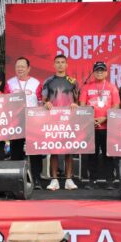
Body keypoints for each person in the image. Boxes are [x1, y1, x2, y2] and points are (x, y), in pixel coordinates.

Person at [79, 61, 120, 189]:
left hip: (108, 126)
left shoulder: (112, 87)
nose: (99, 72)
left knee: (109, 155)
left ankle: (110, 181)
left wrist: (105, 118)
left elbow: (116, 106)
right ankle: (92, 181)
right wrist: (90, 118)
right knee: (92, 155)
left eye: (102, 70)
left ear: (106, 73)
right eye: (97, 70)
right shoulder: (86, 87)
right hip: (91, 126)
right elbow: (82, 105)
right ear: (93, 73)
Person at [42, 55, 79, 191]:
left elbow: (78, 99)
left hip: (69, 119)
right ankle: (54, 180)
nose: (60, 64)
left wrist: (75, 103)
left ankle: (69, 180)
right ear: (54, 65)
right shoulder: (48, 81)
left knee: (69, 149)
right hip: (53, 119)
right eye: (57, 62)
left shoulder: (73, 81)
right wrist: (46, 103)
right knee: (54, 149)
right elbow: (44, 98)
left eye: (63, 62)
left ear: (67, 65)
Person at [5, 56, 43, 188]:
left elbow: (40, 102)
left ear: (28, 68)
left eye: (22, 66)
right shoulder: (10, 83)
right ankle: (17, 179)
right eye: (17, 66)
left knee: (35, 151)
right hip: (16, 122)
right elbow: (6, 103)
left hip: (33, 122)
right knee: (16, 151)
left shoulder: (36, 83)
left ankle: (36, 178)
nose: (20, 69)